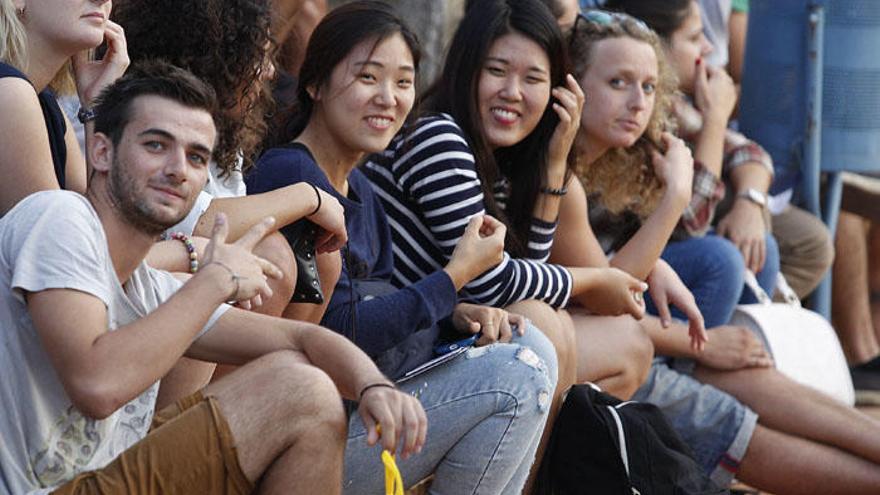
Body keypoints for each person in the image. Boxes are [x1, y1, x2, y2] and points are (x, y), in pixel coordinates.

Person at [0, 60, 425, 495]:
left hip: (100, 480)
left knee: (302, 381)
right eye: (156, 145)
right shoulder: (58, 217)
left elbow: (302, 340)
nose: (178, 169)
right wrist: (213, 279)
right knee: (303, 392)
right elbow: (96, 383)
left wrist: (373, 385)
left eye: (196, 156)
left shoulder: (149, 287)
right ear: (102, 152)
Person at [555, 10, 880, 493]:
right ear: (573, 86)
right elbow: (607, 299)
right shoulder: (557, 176)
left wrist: (745, 195)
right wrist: (677, 197)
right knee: (737, 413)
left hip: (642, 334)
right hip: (606, 356)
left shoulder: (633, 140)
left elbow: (747, 153)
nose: (637, 102)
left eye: (647, 86)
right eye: (618, 82)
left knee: (753, 269)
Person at [247, 3, 557, 493]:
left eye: (404, 82)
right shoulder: (292, 176)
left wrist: (453, 313)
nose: (388, 99)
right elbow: (335, 332)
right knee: (514, 378)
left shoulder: (362, 192)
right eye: (368, 77)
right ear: (316, 85)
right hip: (301, 434)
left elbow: (383, 307)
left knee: (530, 343)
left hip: (363, 405)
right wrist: (451, 279)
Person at [0, 0, 127, 215]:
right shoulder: (9, 93)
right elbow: (62, 242)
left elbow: (96, 227)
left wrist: (97, 106)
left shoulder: (46, 104)